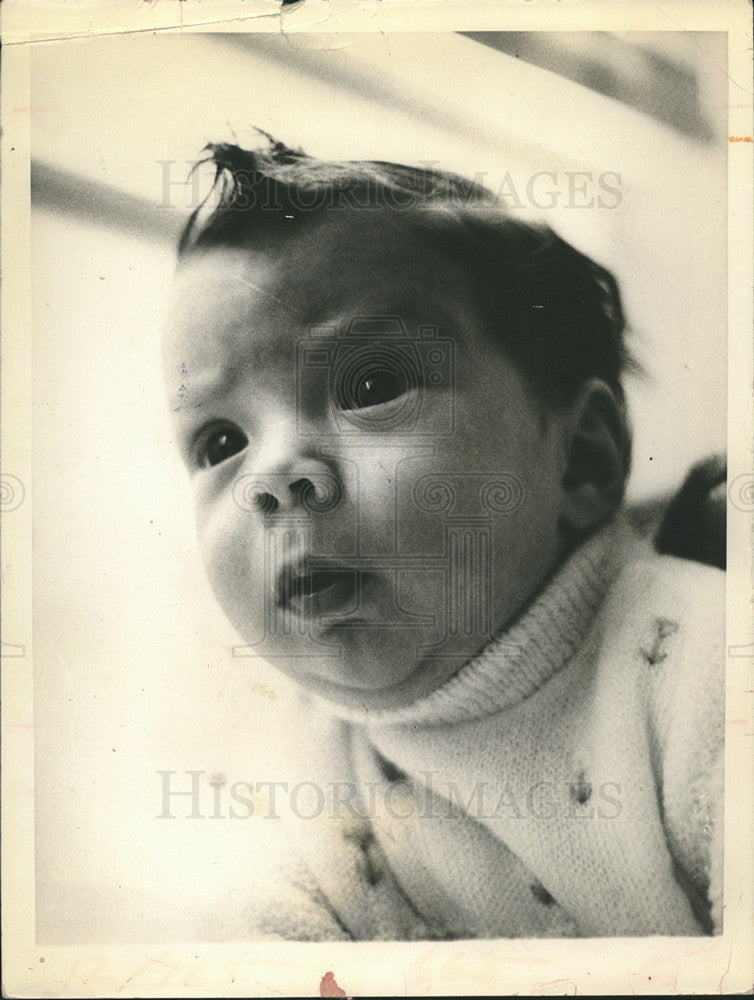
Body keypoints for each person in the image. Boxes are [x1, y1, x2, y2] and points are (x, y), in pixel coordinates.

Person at [162, 135, 725, 940]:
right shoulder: (287, 779)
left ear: (580, 461)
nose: (275, 476)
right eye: (220, 442)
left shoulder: (700, 666)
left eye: (372, 386)